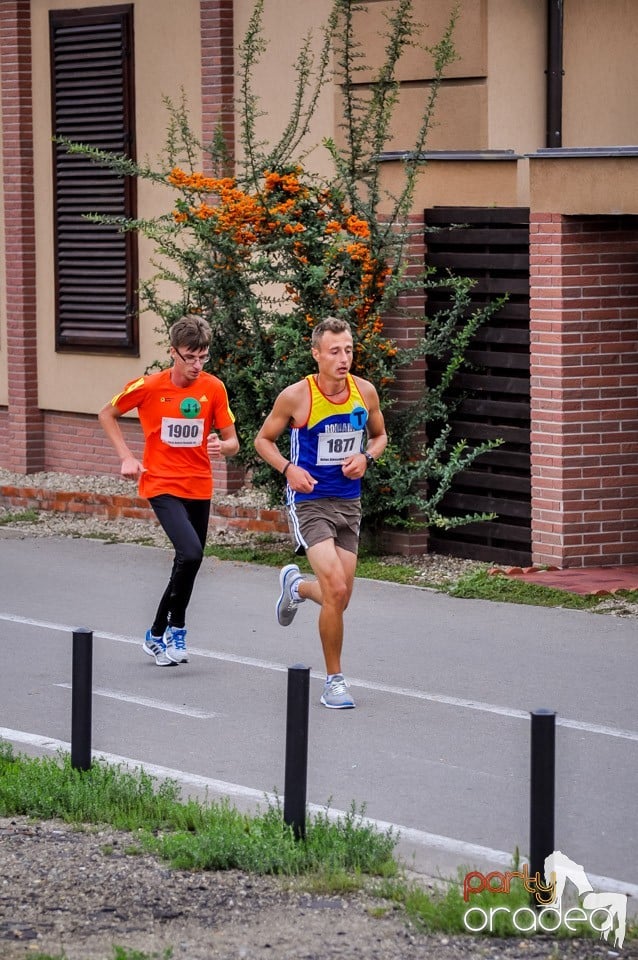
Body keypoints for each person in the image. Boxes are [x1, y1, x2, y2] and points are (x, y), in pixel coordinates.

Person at [254, 316, 387, 708]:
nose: (343, 358)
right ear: (317, 354)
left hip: (349, 502)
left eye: (348, 349)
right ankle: (334, 681)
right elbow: (263, 440)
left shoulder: (365, 392)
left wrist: (366, 457)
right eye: (334, 351)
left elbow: (380, 436)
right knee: (337, 588)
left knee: (339, 597)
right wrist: (288, 469)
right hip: (309, 501)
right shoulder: (297, 396)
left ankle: (295, 588)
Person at [98, 315, 239, 667]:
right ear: (172, 352)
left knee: (187, 562)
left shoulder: (214, 388)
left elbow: (233, 440)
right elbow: (106, 413)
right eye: (189, 357)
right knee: (190, 553)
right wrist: (127, 457)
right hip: (161, 483)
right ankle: (178, 626)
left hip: (199, 485)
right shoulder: (149, 386)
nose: (196, 365)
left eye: (202, 357)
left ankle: (156, 632)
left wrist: (224, 446)